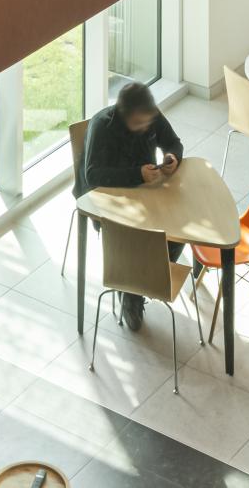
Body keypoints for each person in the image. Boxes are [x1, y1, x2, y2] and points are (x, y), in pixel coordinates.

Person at [74, 79, 184, 327]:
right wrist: (138, 174)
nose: (145, 127)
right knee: (142, 238)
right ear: (124, 116)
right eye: (139, 123)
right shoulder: (103, 127)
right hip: (107, 199)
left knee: (177, 232)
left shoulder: (150, 115)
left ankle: (144, 281)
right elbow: (93, 176)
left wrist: (172, 157)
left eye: (147, 122)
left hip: (144, 193)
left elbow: (173, 142)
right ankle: (131, 294)